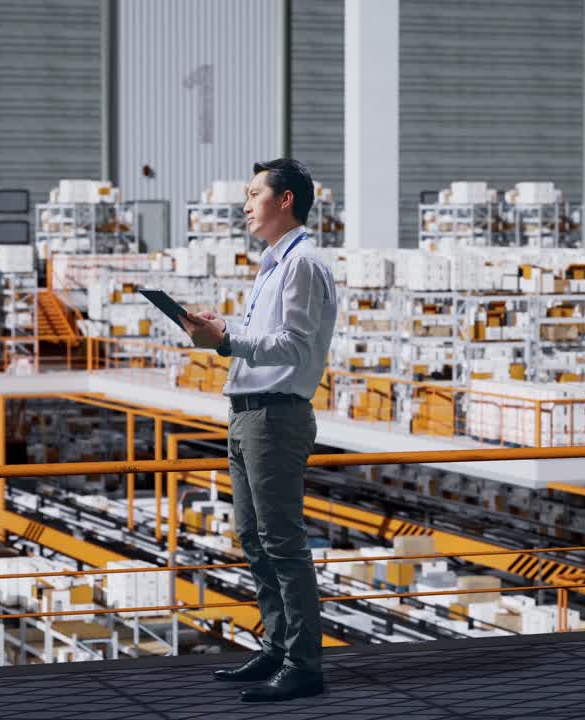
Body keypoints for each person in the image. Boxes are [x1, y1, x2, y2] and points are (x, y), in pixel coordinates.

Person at [182, 158, 337, 703]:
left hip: (275, 416)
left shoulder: (302, 265)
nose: (246, 205)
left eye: (254, 194)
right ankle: (277, 647)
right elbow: (267, 335)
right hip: (247, 412)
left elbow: (294, 345)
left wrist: (227, 343)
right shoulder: (273, 266)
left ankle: (303, 665)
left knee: (283, 543)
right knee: (253, 538)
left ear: (285, 200)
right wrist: (224, 328)